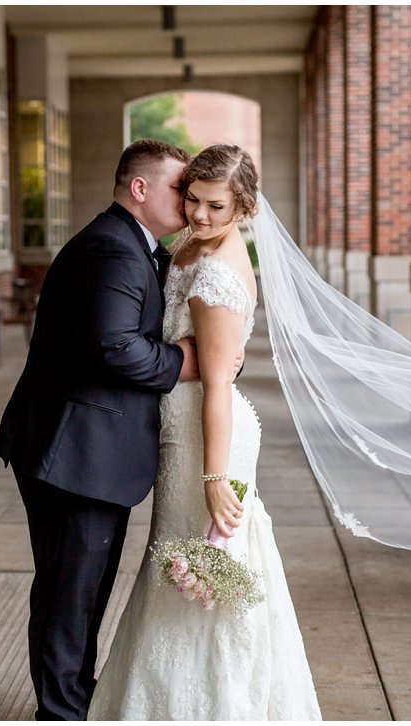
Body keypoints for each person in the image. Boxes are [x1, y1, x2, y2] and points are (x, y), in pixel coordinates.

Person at [87, 145, 322, 720]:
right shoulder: (194, 245)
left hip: (206, 437)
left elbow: (217, 383)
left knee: (204, 570)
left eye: (216, 205)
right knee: (175, 563)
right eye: (191, 199)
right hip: (180, 428)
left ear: (243, 207)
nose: (199, 214)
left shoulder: (218, 268)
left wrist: (215, 478)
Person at [0, 139, 201, 721]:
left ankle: (72, 702)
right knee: (69, 594)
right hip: (72, 453)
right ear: (140, 189)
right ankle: (59, 713)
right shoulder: (109, 249)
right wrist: (187, 361)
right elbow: (114, 348)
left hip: (91, 453)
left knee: (84, 593)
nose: (187, 201)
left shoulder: (134, 247)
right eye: (177, 189)